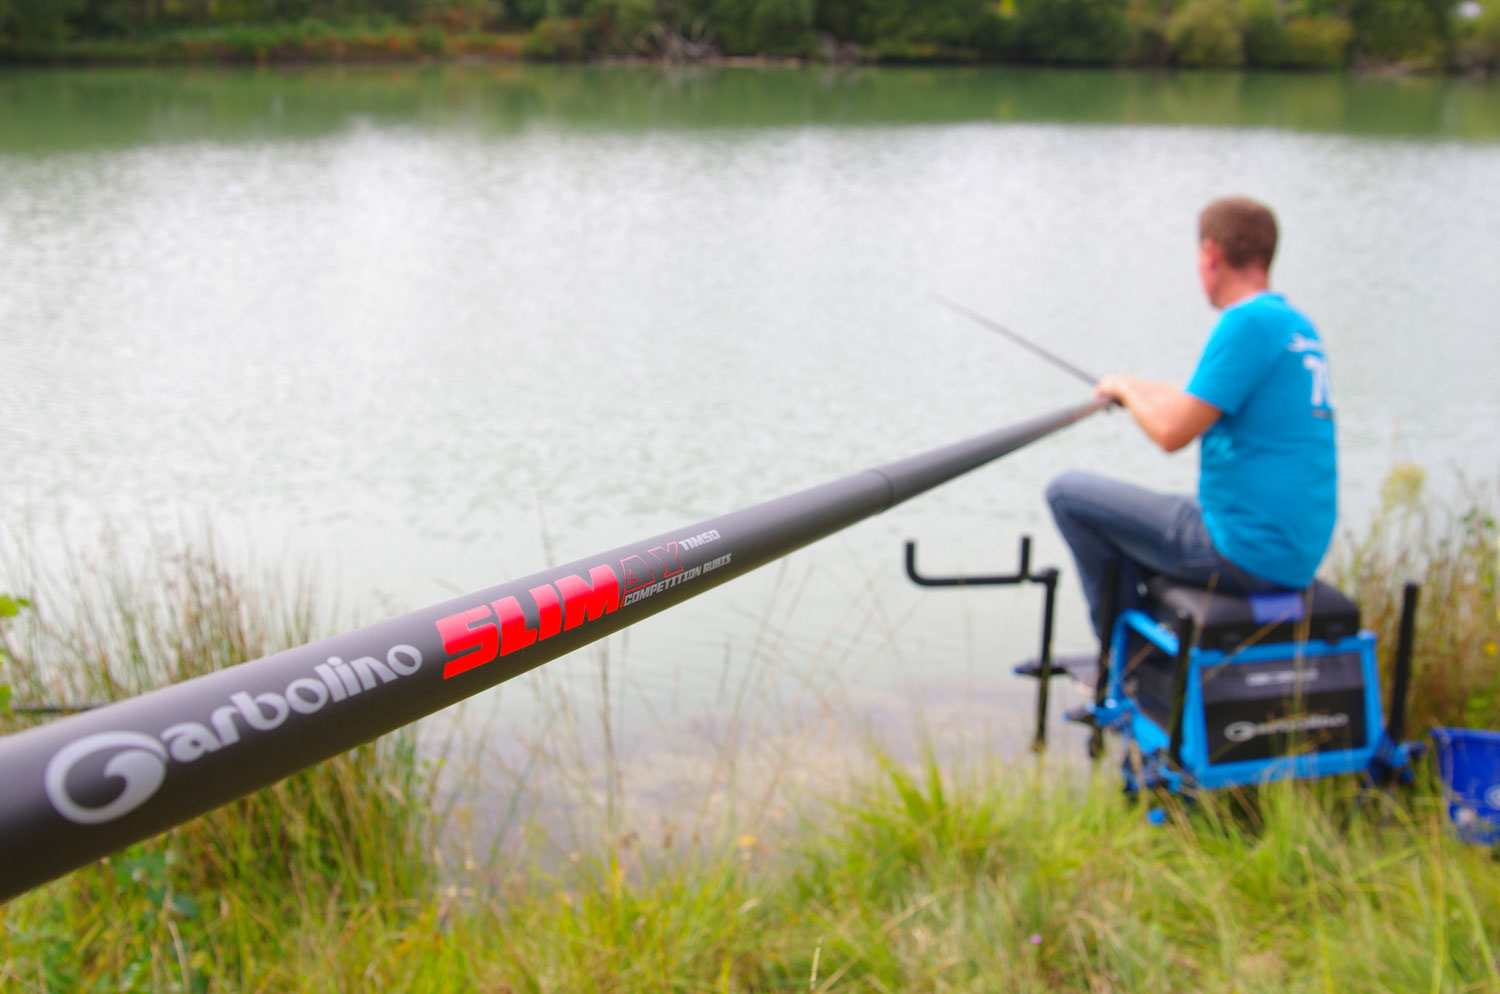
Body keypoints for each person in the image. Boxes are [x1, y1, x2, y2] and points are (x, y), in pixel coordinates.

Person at [1046, 196, 1337, 640]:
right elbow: (1194, 401)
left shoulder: (1245, 323)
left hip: (1243, 553)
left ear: (1211, 253)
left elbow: (1170, 433)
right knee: (1145, 511)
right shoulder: (1294, 325)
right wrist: (1133, 386)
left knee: (1068, 494)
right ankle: (1149, 644)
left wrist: (1123, 390)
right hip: (1291, 552)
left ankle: (1125, 661)